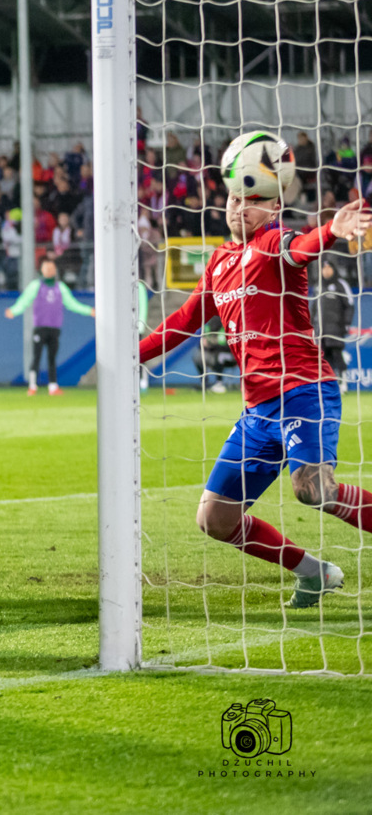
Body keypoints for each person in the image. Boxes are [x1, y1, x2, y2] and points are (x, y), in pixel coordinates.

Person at [139, 190, 372, 609]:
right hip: (257, 411)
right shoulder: (218, 262)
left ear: (274, 208)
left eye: (253, 199)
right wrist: (131, 354)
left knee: (314, 489)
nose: (238, 207)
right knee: (214, 519)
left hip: (303, 392)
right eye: (232, 199)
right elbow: (184, 321)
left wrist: (330, 233)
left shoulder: (274, 242)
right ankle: (313, 572)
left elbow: (300, 250)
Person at [5, 256, 94, 395]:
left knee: (52, 358)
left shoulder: (61, 287)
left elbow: (72, 304)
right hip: (40, 328)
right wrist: (14, 310)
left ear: (55, 270)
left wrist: (89, 311)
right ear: (41, 270)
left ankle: (53, 386)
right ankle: (32, 385)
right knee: (36, 357)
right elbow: (25, 300)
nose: (49, 270)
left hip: (55, 328)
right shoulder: (36, 285)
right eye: (46, 268)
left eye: (51, 268)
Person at [316, 259, 353, 378]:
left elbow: (349, 305)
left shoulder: (341, 284)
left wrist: (346, 323)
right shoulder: (318, 286)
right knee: (324, 359)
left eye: (328, 268)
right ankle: (329, 383)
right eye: (323, 268)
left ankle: (343, 383)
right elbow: (313, 308)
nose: (326, 271)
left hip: (336, 328)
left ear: (333, 269)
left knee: (337, 354)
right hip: (321, 330)